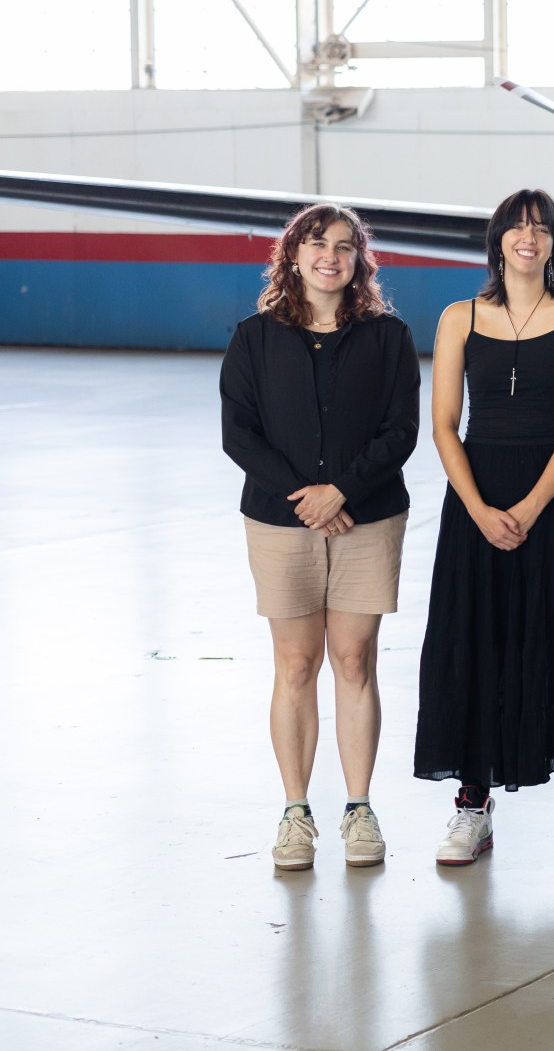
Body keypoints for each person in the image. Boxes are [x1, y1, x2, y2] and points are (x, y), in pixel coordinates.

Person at [413, 190, 554, 865]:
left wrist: (531, 507)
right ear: (497, 240)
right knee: (475, 641)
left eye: (540, 229)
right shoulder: (458, 317)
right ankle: (472, 806)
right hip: (476, 498)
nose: (527, 239)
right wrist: (477, 507)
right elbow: (445, 423)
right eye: (515, 228)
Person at [221, 204, 419, 871]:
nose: (329, 255)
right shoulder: (254, 337)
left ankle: (359, 809)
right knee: (297, 664)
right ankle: (295, 813)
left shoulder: (387, 336)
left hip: (369, 518)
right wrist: (308, 498)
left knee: (356, 660)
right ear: (293, 255)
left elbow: (400, 431)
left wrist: (344, 492)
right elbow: (239, 433)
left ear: (360, 259)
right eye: (316, 243)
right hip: (280, 520)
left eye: (343, 246)